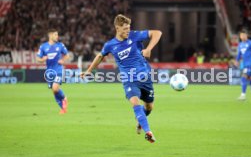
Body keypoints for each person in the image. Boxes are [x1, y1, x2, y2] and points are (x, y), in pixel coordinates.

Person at [80, 14, 162, 143]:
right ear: (117, 28)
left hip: (145, 77)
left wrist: (148, 49)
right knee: (135, 103)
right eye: (125, 29)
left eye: (129, 28)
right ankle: (148, 132)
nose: (128, 31)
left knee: (149, 107)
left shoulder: (134, 35)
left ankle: (140, 121)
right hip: (129, 79)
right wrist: (89, 70)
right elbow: (100, 56)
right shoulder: (110, 45)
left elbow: (157, 33)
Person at [37, 29, 69, 114]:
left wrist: (63, 60)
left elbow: (67, 55)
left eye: (57, 35)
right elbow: (38, 58)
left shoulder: (60, 45)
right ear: (50, 35)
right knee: (54, 90)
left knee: (55, 88)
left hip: (58, 70)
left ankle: (64, 98)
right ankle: (62, 108)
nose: (57, 36)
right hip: (49, 72)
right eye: (55, 35)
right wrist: (42, 59)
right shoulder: (43, 46)